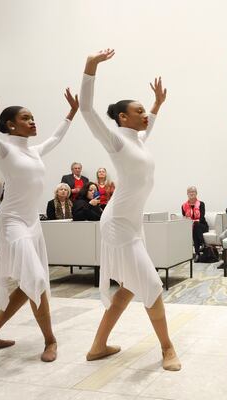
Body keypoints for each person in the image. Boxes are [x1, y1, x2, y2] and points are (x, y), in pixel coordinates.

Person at [0, 52, 78, 360]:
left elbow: (56, 136)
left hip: (32, 224)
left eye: (32, 117)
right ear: (11, 126)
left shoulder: (35, 150)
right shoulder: (3, 148)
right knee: (36, 278)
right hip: (12, 221)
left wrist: (71, 113)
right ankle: (50, 340)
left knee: (32, 279)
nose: (32, 121)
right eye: (25, 118)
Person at [80, 49, 180, 371]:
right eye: (139, 111)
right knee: (150, 285)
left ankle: (97, 347)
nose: (145, 115)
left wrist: (157, 105)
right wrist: (91, 67)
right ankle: (167, 349)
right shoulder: (117, 141)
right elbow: (86, 109)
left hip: (132, 224)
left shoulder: (138, 141)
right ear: (123, 118)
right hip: (117, 225)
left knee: (128, 287)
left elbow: (150, 125)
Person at [181, 186, 208, 262]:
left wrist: (194, 222)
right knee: (194, 229)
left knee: (195, 225)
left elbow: (202, 217)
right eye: (190, 192)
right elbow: (185, 218)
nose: (191, 193)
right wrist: (190, 222)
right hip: (191, 227)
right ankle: (201, 246)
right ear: (187, 194)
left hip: (202, 225)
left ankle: (197, 253)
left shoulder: (201, 204)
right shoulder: (183, 206)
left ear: (196, 193)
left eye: (193, 191)